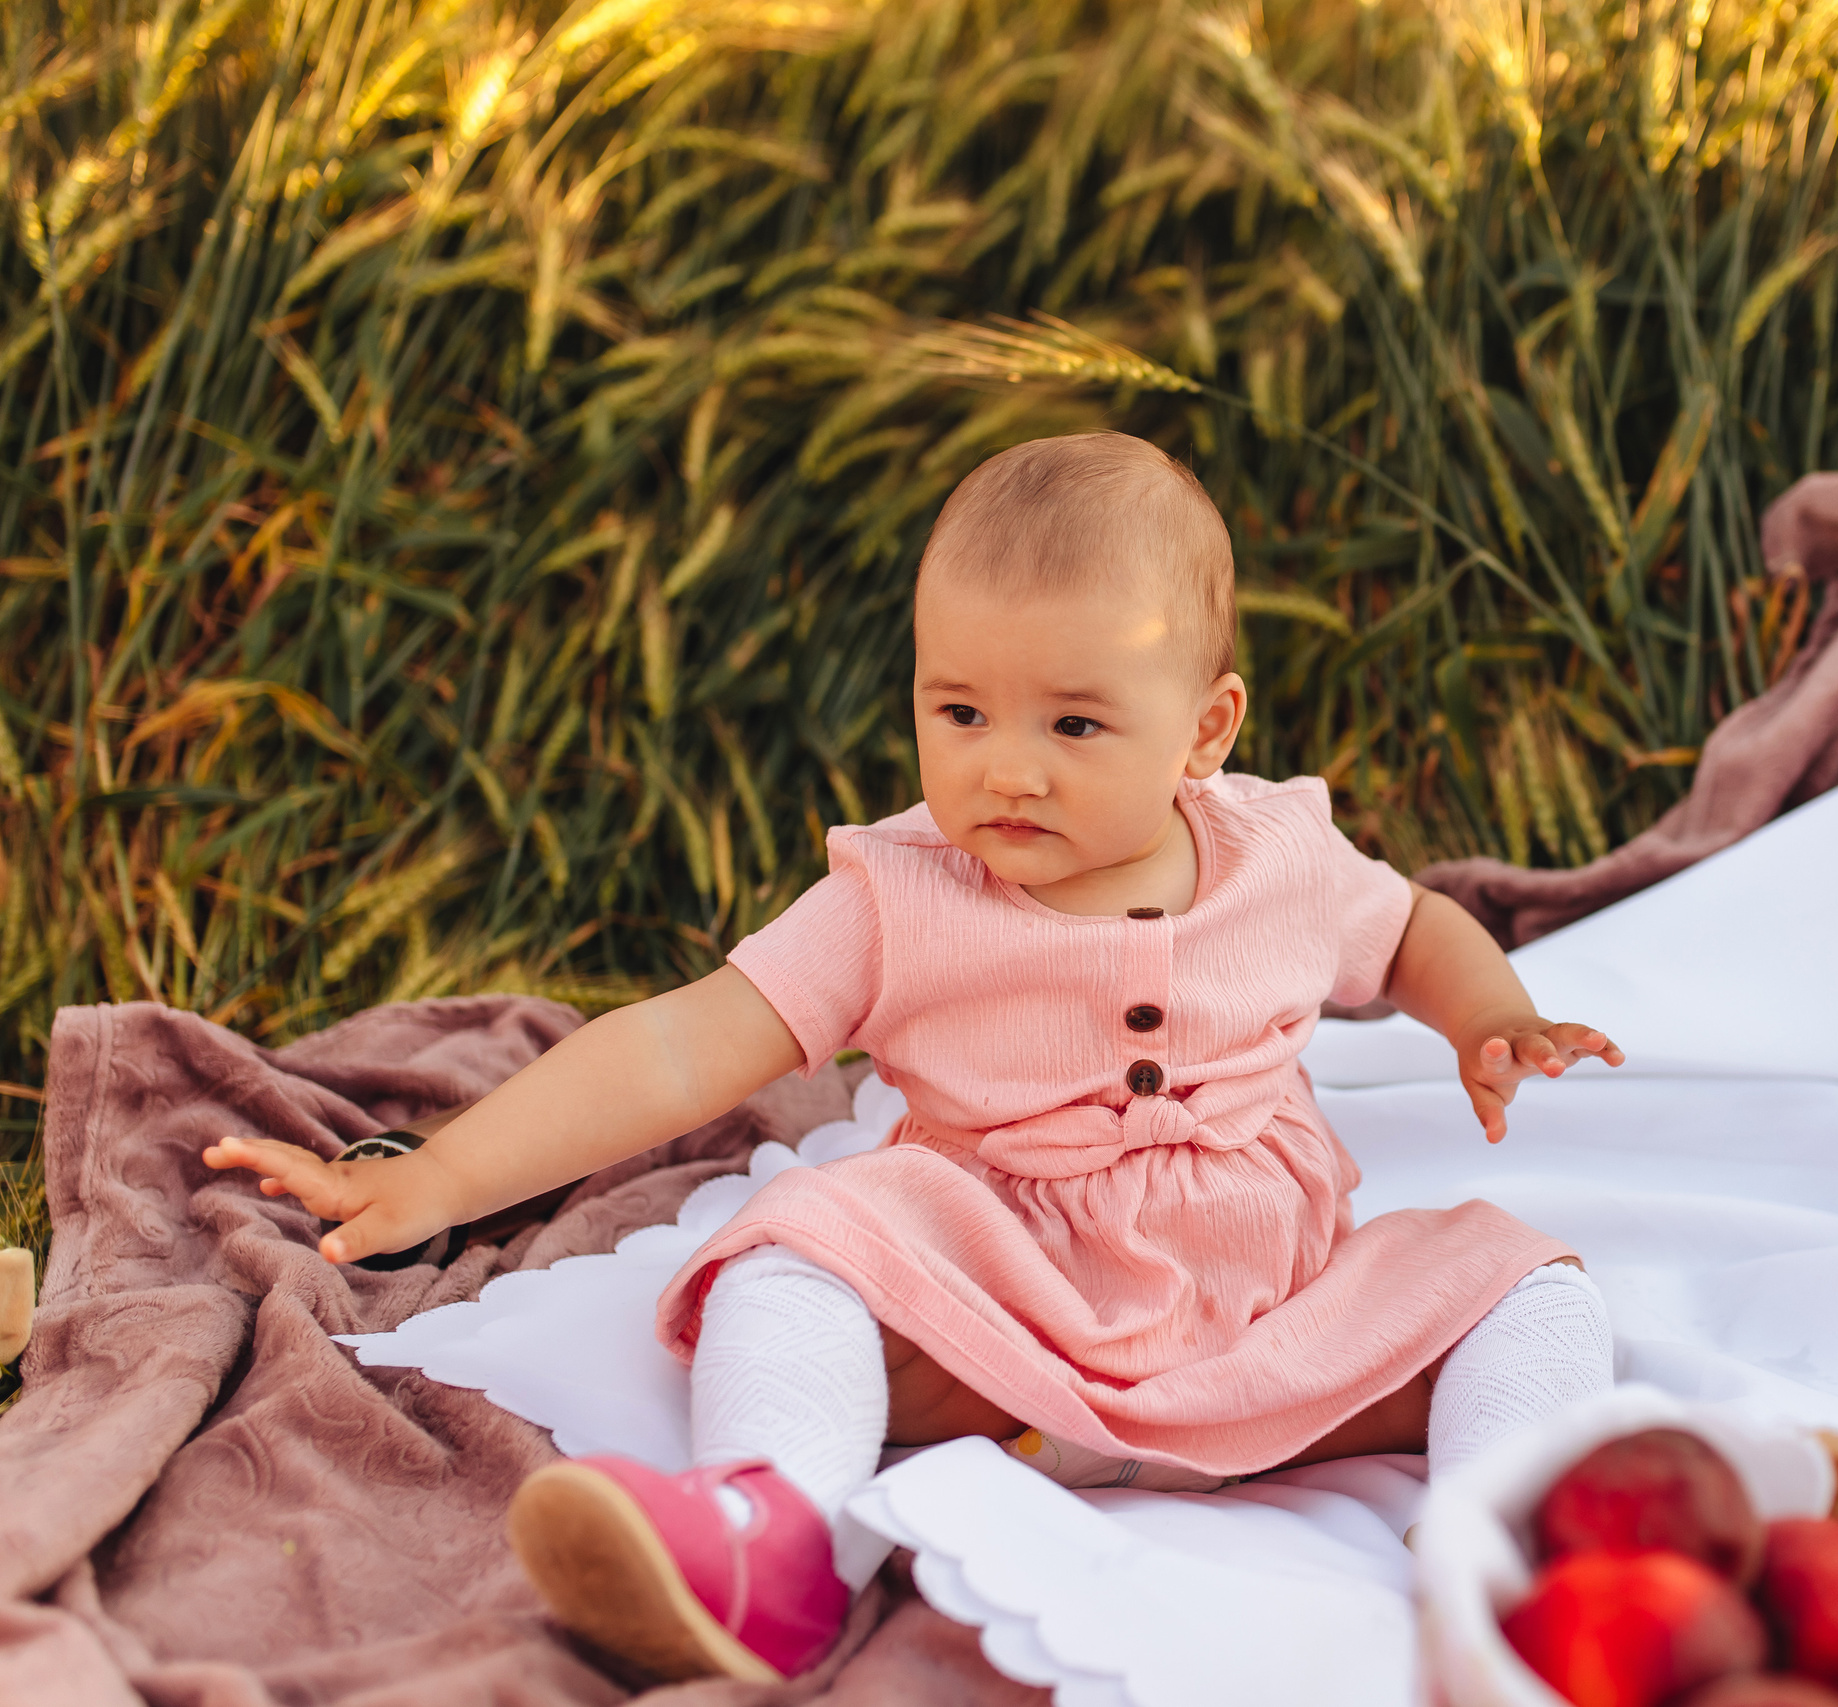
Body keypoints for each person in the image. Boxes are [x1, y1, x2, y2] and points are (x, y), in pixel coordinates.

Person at [206, 432, 1625, 1683]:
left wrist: (1491, 1017)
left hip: (1276, 1329)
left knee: (1532, 1284)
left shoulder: (1281, 860)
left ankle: (1498, 1540)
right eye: (961, 712)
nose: (1008, 769)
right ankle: (778, 1535)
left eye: (1074, 724)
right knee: (790, 1255)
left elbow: (1418, 928)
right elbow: (687, 1043)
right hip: (992, 1315)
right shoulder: (903, 897)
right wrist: (443, 1176)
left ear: (1207, 730)